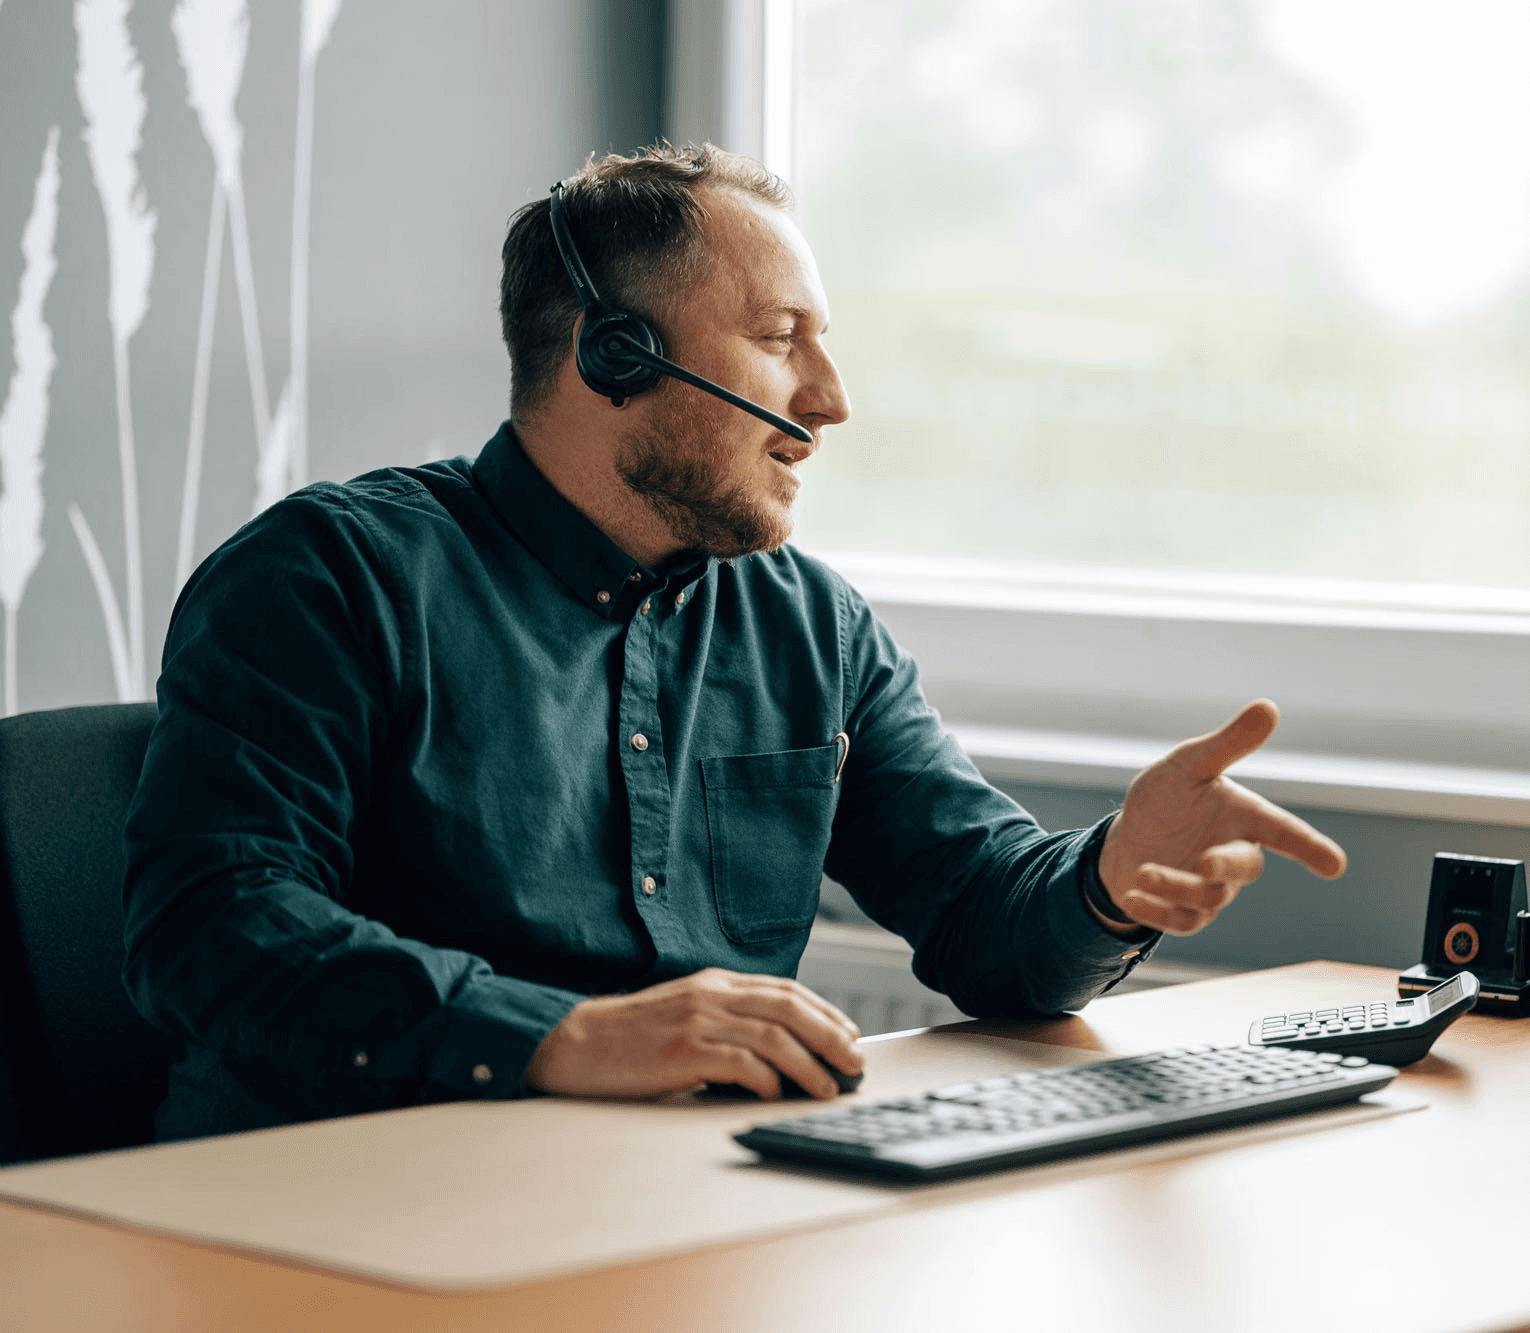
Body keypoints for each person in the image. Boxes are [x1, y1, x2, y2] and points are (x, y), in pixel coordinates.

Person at [123, 144, 1346, 1140]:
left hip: (672, 1192)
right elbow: (212, 928)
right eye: (780, 337)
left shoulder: (807, 623)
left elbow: (983, 912)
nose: (828, 399)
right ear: (616, 355)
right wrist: (561, 1033)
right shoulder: (326, 575)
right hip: (345, 1198)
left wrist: (1107, 879)